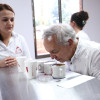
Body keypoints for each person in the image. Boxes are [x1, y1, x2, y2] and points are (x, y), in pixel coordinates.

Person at [0, 4, 37, 100]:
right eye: (5, 20)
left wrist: (19, 62)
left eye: (12, 19)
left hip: (24, 87)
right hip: (4, 91)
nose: (10, 23)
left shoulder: (20, 39)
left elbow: (29, 61)